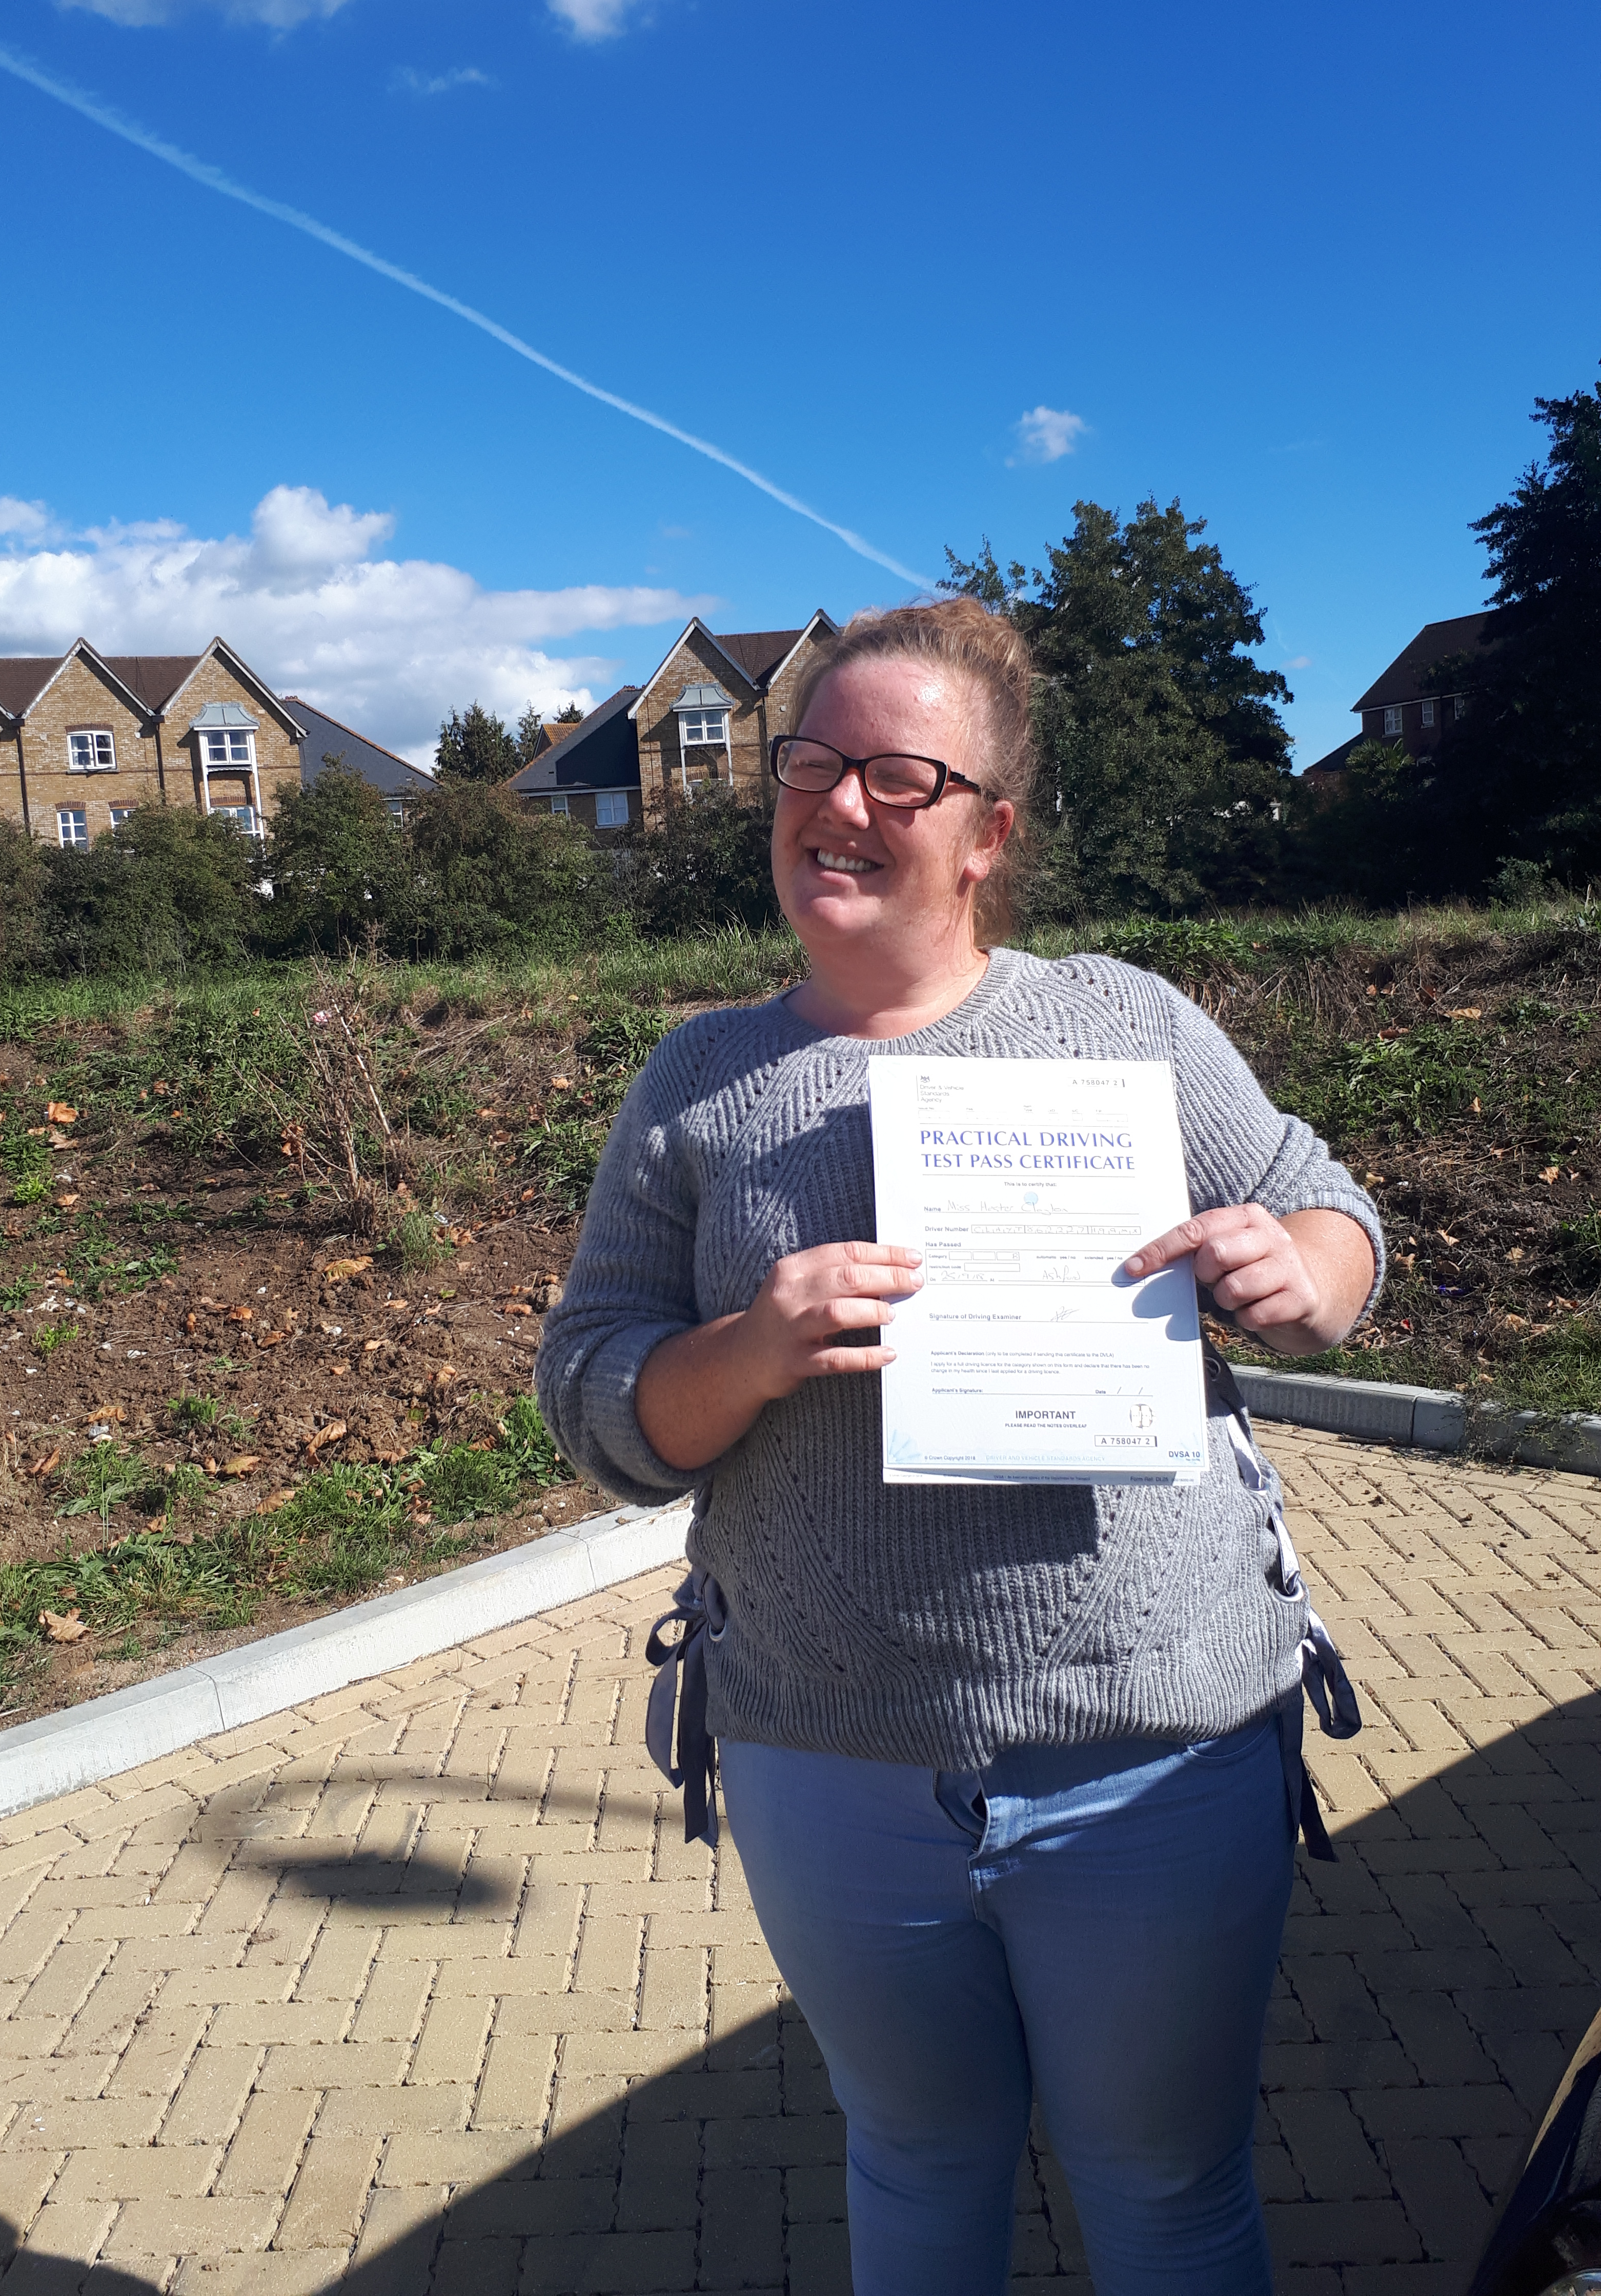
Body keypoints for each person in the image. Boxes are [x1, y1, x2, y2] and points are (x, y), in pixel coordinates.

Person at [535, 599, 1383, 2296]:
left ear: (989, 833)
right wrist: (747, 1352)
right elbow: (594, 1395)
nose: (837, 802)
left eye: (898, 776)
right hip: (829, 1753)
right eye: (810, 763)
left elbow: (1333, 1209)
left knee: (1165, 2186)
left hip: (1155, 1745)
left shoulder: (1122, 1026)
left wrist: (1305, 1275)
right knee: (916, 2162)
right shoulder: (703, 1079)